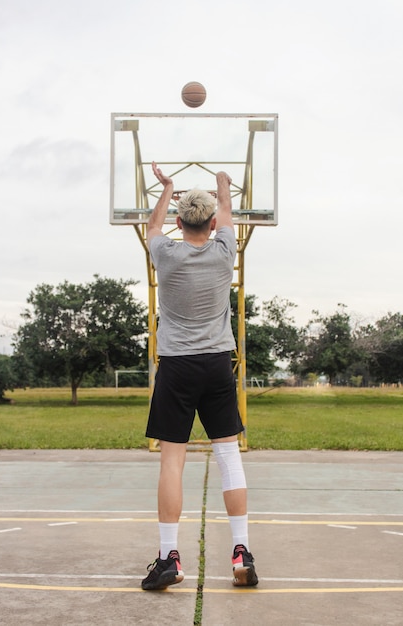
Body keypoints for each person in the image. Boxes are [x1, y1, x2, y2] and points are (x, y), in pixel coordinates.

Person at [141, 162, 258, 591]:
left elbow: (153, 227)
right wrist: (224, 186)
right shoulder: (225, 251)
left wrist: (166, 188)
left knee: (173, 459)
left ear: (178, 222)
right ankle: (241, 550)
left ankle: (168, 557)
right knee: (228, 456)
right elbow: (226, 213)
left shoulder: (165, 254)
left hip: (176, 365)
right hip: (216, 364)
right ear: (211, 224)